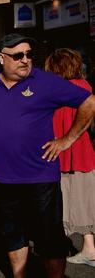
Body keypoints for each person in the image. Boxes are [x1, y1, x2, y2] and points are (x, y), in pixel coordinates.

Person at [0, 34, 95, 278]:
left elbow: (89, 102)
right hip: (2, 176)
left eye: (29, 55)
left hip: (40, 177)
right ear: (1, 58)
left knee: (49, 240)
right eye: (18, 56)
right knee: (13, 236)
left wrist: (66, 140)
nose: (25, 60)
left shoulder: (45, 81)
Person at [45, 48, 95, 268]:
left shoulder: (58, 91)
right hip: (83, 153)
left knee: (65, 201)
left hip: (63, 153)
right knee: (84, 200)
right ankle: (87, 246)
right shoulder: (85, 87)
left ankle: (87, 249)